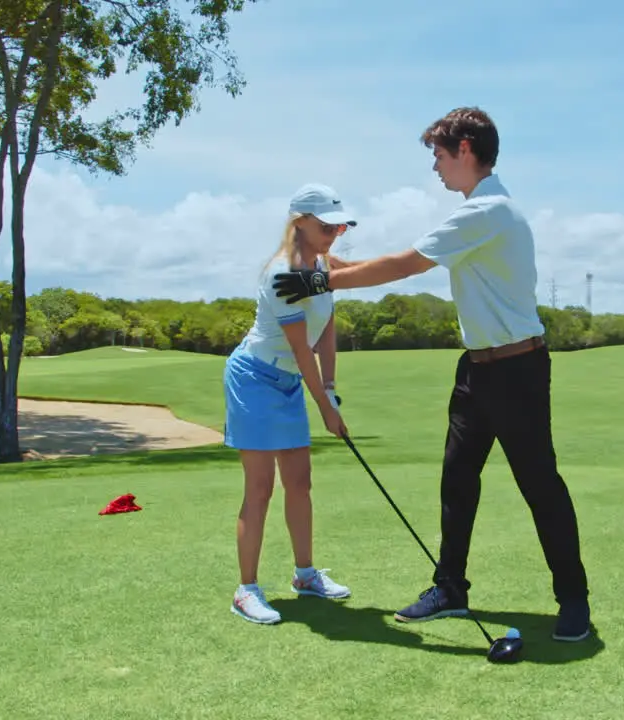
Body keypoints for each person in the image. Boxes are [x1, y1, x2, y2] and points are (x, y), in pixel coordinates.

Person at [271, 107, 593, 642]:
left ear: (467, 149)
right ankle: (450, 588)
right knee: (457, 480)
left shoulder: (488, 212)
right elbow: (394, 262)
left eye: (440, 156)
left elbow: (405, 265)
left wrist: (321, 286)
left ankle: (574, 601)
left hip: (518, 369)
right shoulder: (477, 214)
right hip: (477, 370)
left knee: (540, 486)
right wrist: (316, 271)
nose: (436, 168)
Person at [223, 183, 357, 625]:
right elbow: (302, 351)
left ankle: (305, 576)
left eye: (340, 226)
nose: (335, 233)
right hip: (255, 378)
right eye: (326, 226)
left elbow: (329, 326)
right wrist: (326, 408)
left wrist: (332, 385)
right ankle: (246, 590)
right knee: (260, 489)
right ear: (299, 222)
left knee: (299, 483)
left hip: (287, 382)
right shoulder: (282, 274)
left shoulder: (321, 265)